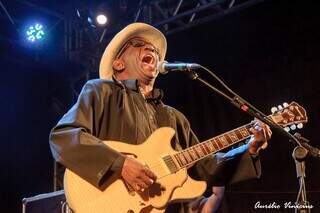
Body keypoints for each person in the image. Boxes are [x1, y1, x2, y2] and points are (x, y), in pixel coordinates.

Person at [49, 22, 272, 213]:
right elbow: (64, 137)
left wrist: (248, 149)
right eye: (138, 44)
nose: (151, 49)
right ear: (118, 64)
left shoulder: (175, 118)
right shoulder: (101, 91)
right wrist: (120, 164)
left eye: (155, 49)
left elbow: (205, 167)